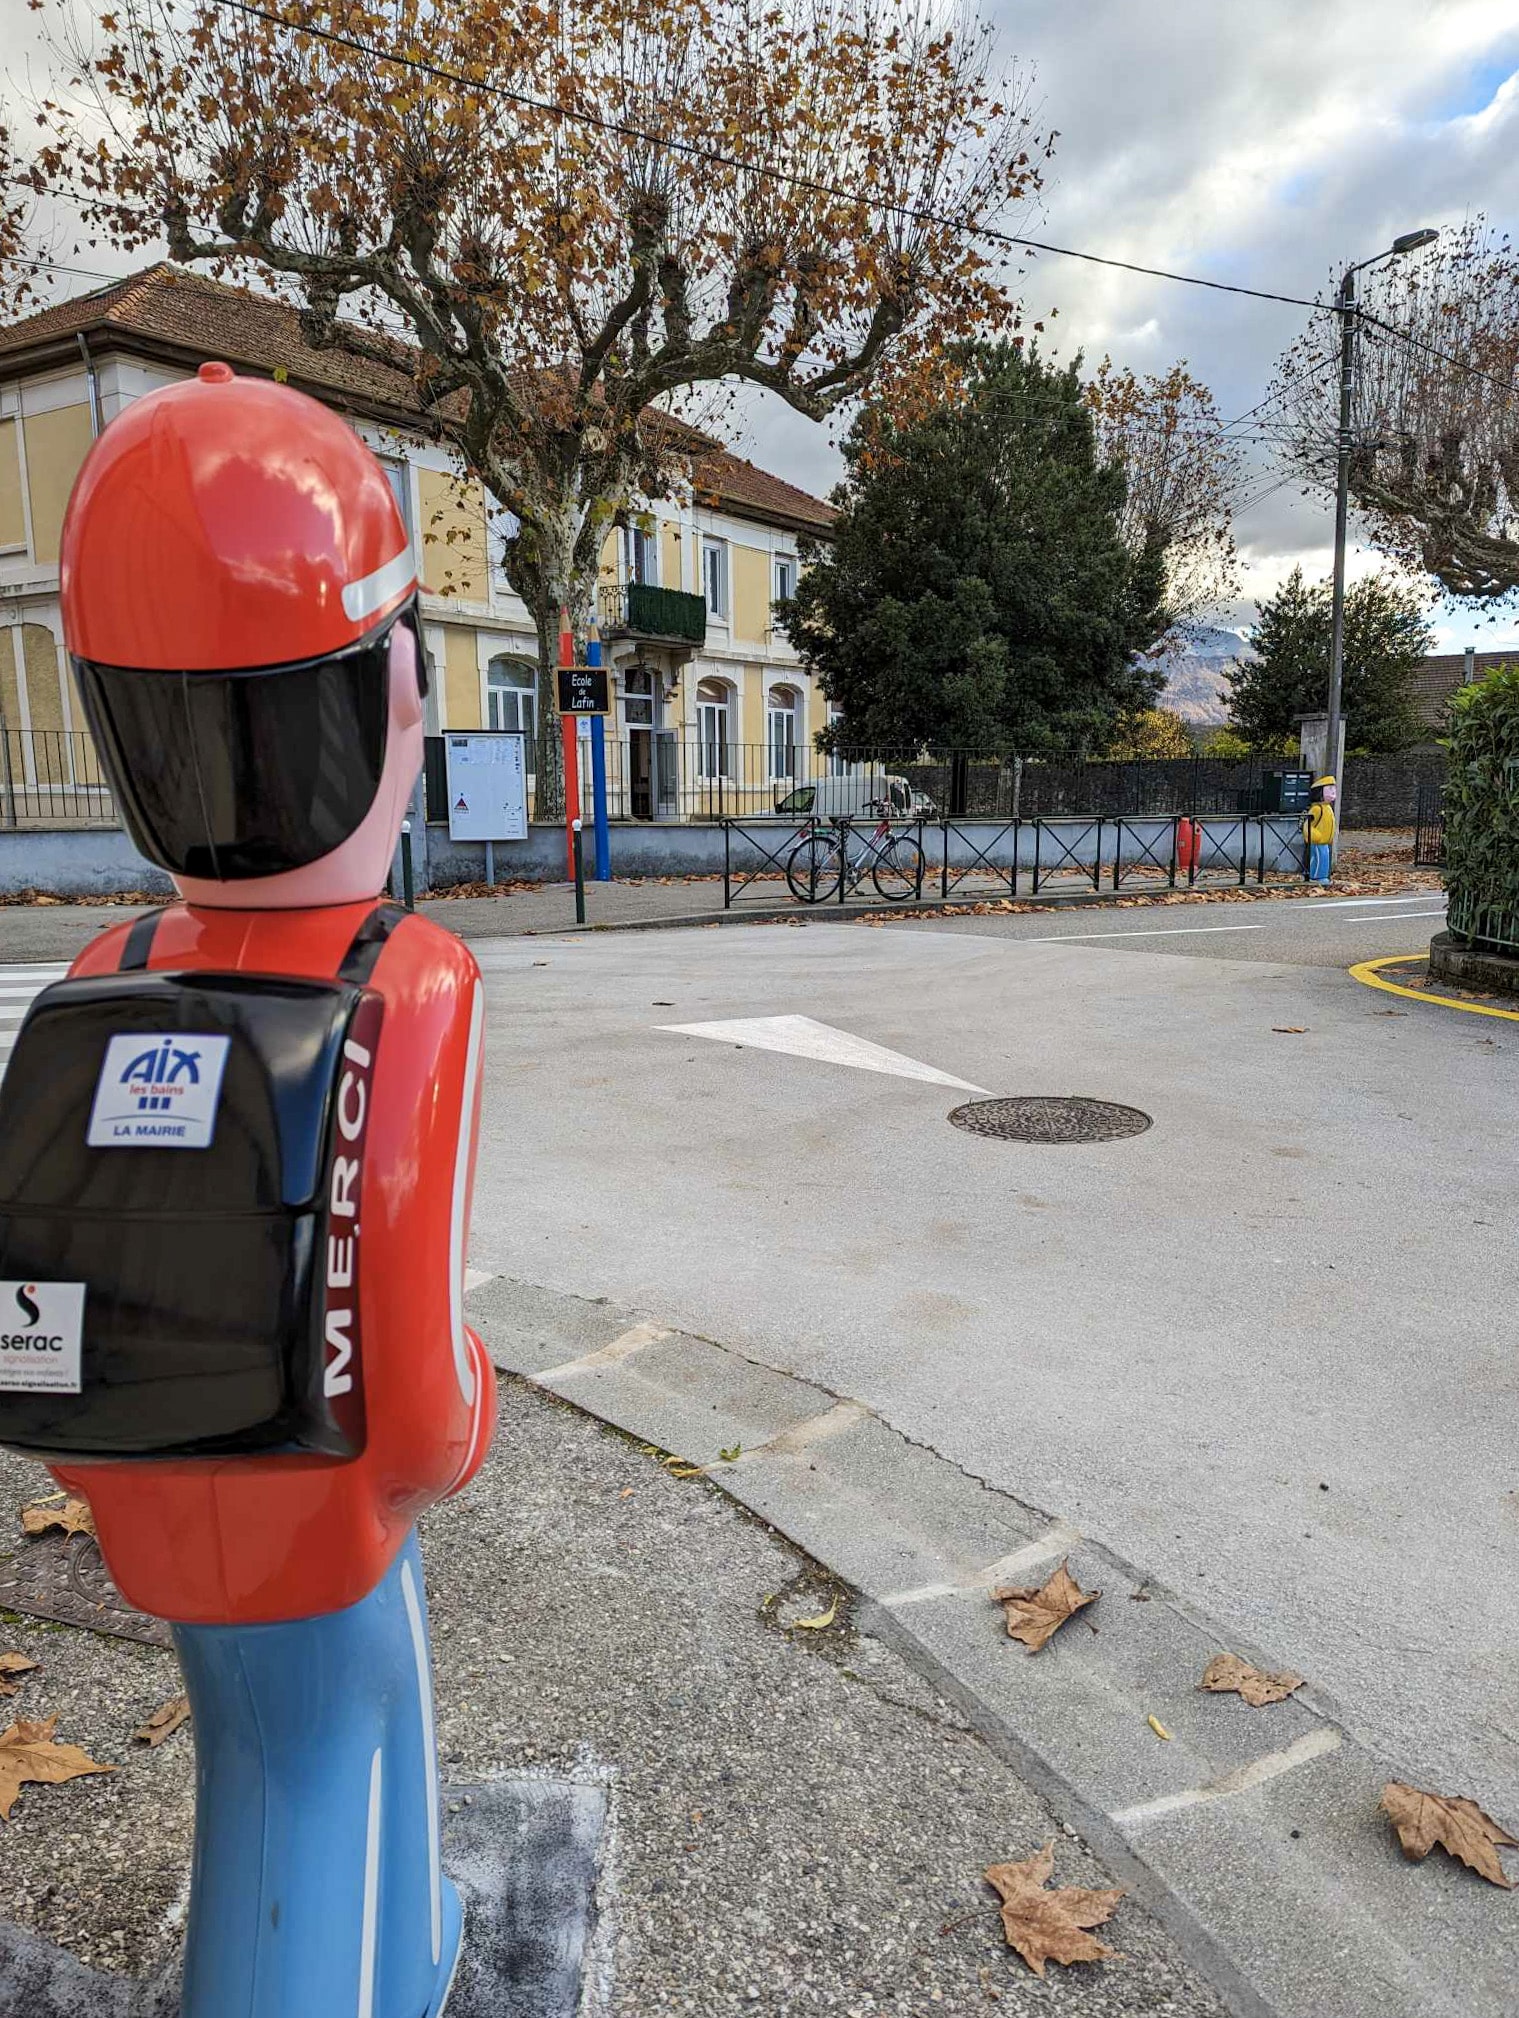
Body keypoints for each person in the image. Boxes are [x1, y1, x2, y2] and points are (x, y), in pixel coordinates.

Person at [0, 360, 494, 2016]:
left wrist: (116, 1457)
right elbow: (416, 1392)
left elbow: (53, 1267)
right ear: (392, 691)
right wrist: (456, 1428)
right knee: (331, 1754)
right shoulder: (408, 981)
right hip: (331, 1501)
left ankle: (399, 1932)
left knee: (262, 1743)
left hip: (148, 1470)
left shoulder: (104, 960)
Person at [1303, 774, 1337, 884]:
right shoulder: (1317, 809)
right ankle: (1316, 876)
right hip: (1318, 841)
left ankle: (1322, 876)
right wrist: (1315, 835)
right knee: (1319, 858)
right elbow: (1307, 825)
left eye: (1334, 789)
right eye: (1330, 789)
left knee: (1324, 859)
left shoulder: (1328, 808)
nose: (1333, 792)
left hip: (1325, 841)